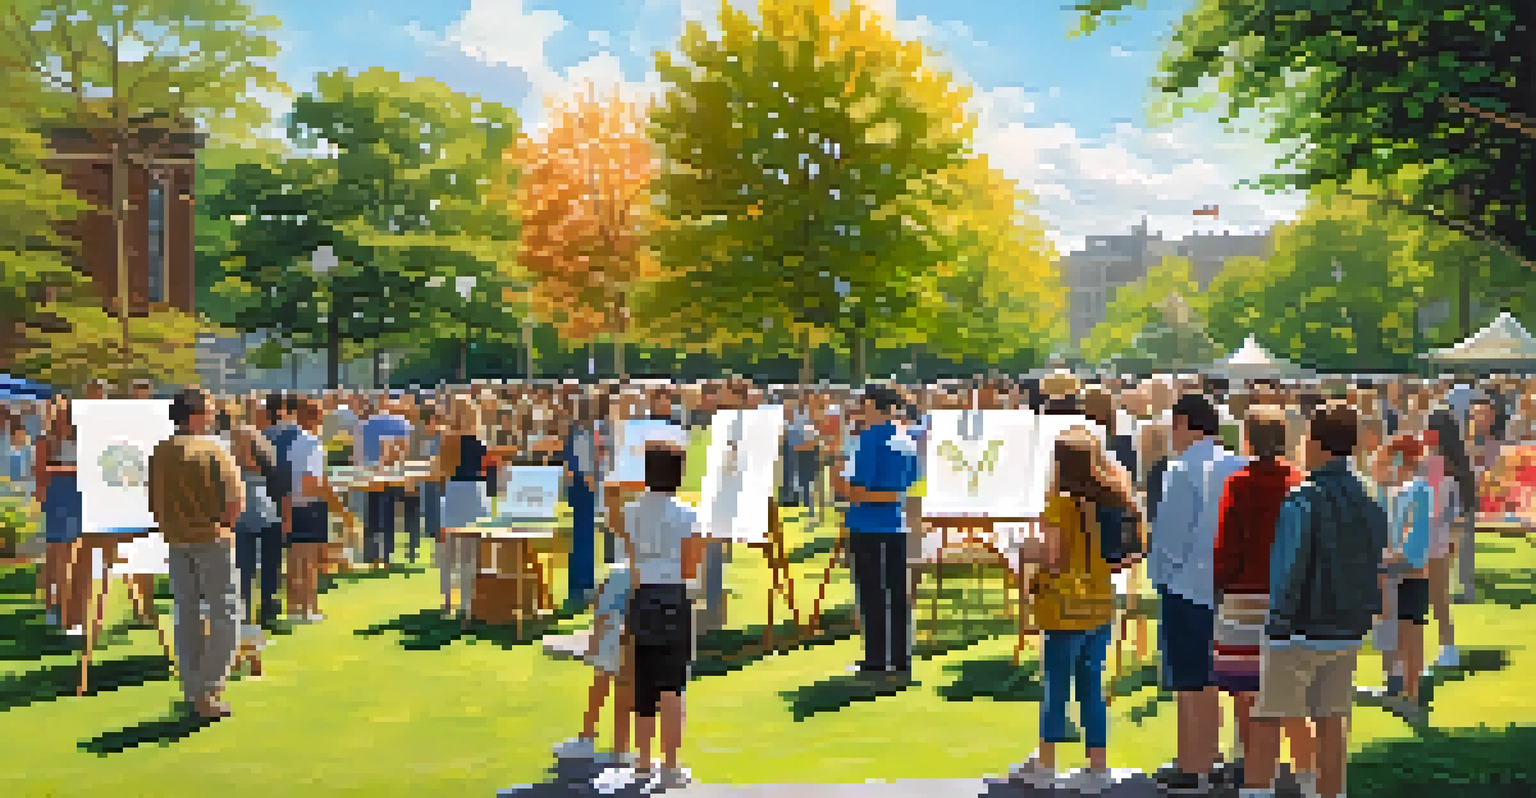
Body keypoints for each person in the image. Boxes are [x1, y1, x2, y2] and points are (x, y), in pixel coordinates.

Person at [1246, 400, 1388, 798]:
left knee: (1267, 717)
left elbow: (1288, 569)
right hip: (1347, 627)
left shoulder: (1303, 497)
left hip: (1300, 626)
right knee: (1331, 719)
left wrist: (1277, 625)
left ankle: (1256, 791)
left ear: (1319, 443)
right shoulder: (1369, 497)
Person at [1011, 426, 1140, 794]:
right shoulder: (1111, 496)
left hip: (1064, 606)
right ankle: (1096, 765)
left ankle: (1047, 761)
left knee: (1056, 687)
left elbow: (1053, 558)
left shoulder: (1061, 503)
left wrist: (1025, 549)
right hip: (1100, 602)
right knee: (1091, 687)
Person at [1151, 393, 1249, 793]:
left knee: (1191, 681)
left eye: (1174, 426)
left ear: (1188, 425)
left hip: (1188, 586)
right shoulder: (1237, 463)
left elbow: (1171, 537)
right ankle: (1232, 759)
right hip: (1233, 588)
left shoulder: (1181, 468)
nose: (1171, 435)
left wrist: (1160, 576)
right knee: (1235, 679)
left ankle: (1195, 766)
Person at [1214, 407, 1315, 792]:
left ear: (1249, 438)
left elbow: (1228, 545)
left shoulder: (1239, 483)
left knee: (1246, 697)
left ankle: (1255, 781)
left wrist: (1219, 583)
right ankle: (1307, 781)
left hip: (1243, 600)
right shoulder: (1299, 483)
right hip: (1289, 601)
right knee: (1291, 701)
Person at [602, 442, 704, 792]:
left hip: (642, 594)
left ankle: (644, 763)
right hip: (673, 595)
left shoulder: (631, 512)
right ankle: (671, 766)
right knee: (673, 685)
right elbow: (691, 566)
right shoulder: (688, 513)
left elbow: (617, 524)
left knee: (644, 684)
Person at [148, 388, 245, 720]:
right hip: (210, 538)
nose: (215, 412)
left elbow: (153, 499)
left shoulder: (161, 451)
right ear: (195, 414)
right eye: (209, 408)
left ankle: (194, 688)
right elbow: (235, 501)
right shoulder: (212, 449)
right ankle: (209, 688)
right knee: (225, 613)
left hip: (177, 540)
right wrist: (225, 526)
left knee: (187, 613)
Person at [843, 386, 919, 677]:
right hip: (896, 525)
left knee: (872, 594)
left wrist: (843, 490)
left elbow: (860, 490)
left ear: (874, 405)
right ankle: (900, 659)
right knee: (897, 594)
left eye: (863, 402)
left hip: (867, 525)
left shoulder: (869, 439)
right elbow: (911, 482)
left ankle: (876, 659)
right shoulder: (905, 437)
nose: (860, 407)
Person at [436, 397, 493, 619]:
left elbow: (441, 470)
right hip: (475, 490)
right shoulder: (479, 440)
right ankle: (468, 602)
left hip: (454, 490)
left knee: (450, 549)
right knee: (472, 550)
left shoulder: (447, 440)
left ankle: (448, 600)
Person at [35, 396, 87, 634]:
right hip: (57, 499)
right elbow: (40, 471)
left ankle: (72, 611)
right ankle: (51, 608)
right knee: (55, 557)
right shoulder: (47, 441)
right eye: (63, 414)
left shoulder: (82, 439)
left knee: (75, 558)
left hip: (78, 498)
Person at [1423, 412, 1467, 669]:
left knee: (1437, 596)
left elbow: (1436, 507)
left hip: (1434, 537)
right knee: (1438, 596)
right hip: (1443, 535)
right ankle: (1446, 648)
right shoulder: (1451, 463)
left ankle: (1448, 649)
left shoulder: (1438, 464)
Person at [231, 426, 284, 630]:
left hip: (268, 519)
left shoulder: (266, 464)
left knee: (270, 570)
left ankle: (268, 613)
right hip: (242, 522)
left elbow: (279, 491)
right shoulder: (230, 465)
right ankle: (244, 617)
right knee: (244, 570)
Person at [284, 399, 330, 622]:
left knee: (294, 559)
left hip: (292, 502)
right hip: (310, 503)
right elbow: (310, 480)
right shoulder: (314, 444)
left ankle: (294, 607)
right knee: (309, 562)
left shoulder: (293, 443)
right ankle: (308, 609)